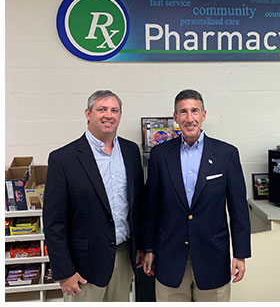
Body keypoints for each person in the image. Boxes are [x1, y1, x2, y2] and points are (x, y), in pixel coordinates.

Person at [142, 89, 251, 302]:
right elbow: (151, 208)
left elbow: (238, 209)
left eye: (194, 111)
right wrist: (148, 249)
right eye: (183, 112)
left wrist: (240, 254)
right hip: (170, 258)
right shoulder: (160, 155)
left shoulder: (226, 154)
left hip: (213, 257)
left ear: (204, 115)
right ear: (175, 118)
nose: (189, 118)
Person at [43, 90, 144, 302]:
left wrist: (141, 246)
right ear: (88, 114)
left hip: (124, 258)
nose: (109, 115)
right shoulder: (63, 159)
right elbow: (54, 222)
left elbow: (137, 206)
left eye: (114, 110)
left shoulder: (131, 151)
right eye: (102, 109)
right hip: (83, 267)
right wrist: (64, 271)